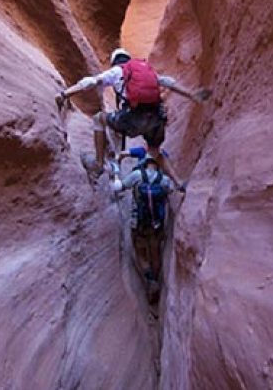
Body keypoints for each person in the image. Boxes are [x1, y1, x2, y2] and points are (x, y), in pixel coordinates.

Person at [56, 48, 209, 188]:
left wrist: (65, 94)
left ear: (114, 61)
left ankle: (98, 164)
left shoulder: (116, 71)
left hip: (133, 118)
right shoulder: (145, 71)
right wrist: (191, 94)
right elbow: (166, 81)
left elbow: (91, 82)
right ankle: (179, 182)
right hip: (156, 118)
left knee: (99, 119)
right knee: (155, 151)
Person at [110, 155, 173, 303]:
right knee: (155, 251)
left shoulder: (137, 175)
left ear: (144, 164)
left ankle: (150, 279)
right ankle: (156, 280)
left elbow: (118, 188)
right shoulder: (164, 180)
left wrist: (116, 173)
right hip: (156, 224)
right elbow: (171, 190)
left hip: (138, 222)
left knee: (140, 251)